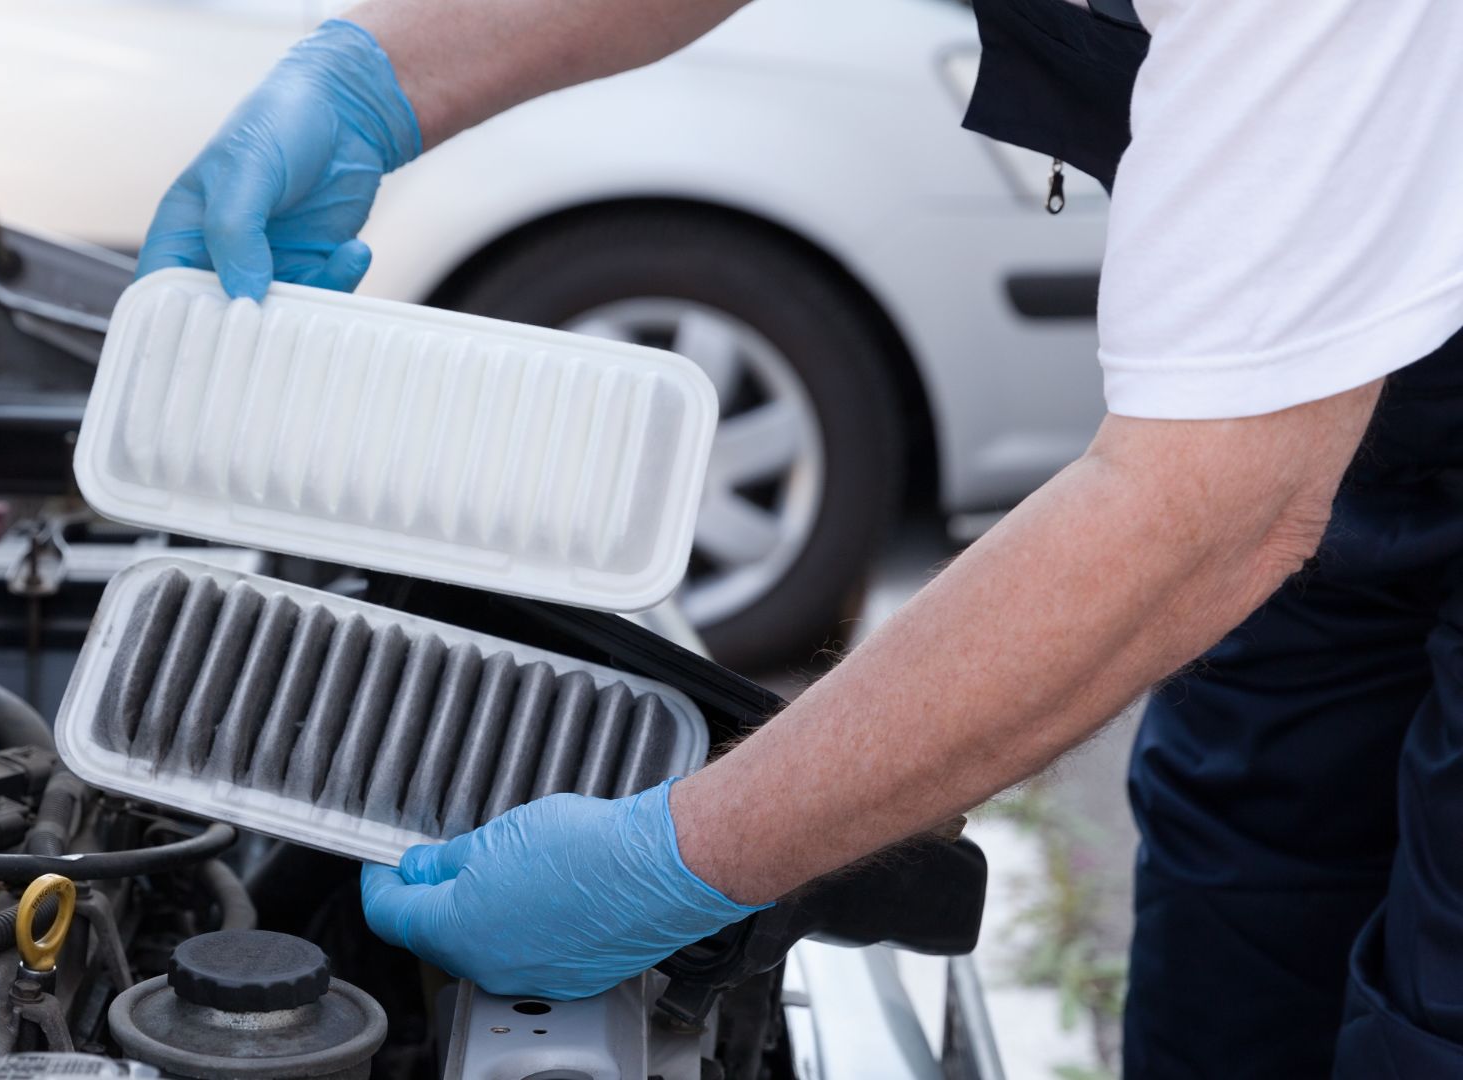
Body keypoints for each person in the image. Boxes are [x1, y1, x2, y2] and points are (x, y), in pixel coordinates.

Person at [137, 1, 1463, 1074]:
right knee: (1246, 907)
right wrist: (376, 78)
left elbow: (1200, 515)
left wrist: (692, 856)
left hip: (1296, 424)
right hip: (1354, 381)